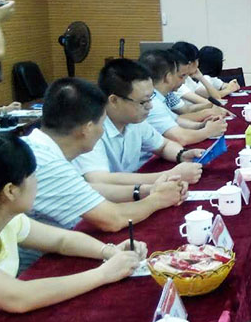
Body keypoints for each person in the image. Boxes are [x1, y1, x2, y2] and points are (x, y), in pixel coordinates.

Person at [20, 78, 184, 269]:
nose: (103, 130)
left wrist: (147, 190)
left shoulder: (37, 146)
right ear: (88, 128)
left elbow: (86, 190)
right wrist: (159, 199)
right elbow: (112, 219)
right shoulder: (46, 162)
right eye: (103, 123)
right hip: (35, 267)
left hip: (65, 248)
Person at [0, 133, 148, 313]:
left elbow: (62, 240)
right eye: (33, 176)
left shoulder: (12, 220)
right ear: (11, 191)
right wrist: (103, 274)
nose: (37, 182)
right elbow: (18, 297)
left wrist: (110, 251)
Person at [73, 59, 205, 201]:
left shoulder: (135, 121)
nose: (150, 106)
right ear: (114, 100)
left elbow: (163, 145)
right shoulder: (91, 128)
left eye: (151, 98)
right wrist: (168, 175)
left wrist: (182, 155)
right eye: (143, 101)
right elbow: (99, 180)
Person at [140, 49, 227, 145]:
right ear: (168, 77)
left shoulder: (158, 97)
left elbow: (176, 120)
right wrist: (208, 131)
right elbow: (180, 138)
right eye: (180, 75)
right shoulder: (152, 103)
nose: (184, 81)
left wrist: (201, 125)